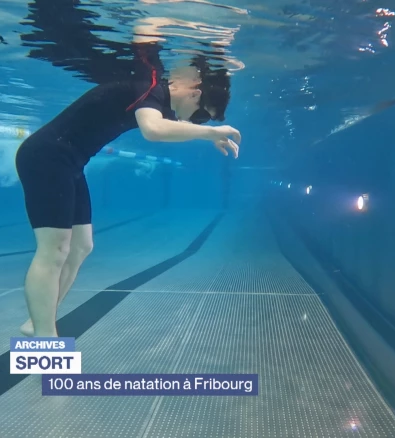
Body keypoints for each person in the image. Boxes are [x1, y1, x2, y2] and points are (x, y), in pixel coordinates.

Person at [15, 42, 241, 337]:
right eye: (200, 115)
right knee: (54, 249)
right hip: (46, 157)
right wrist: (209, 132)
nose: (193, 121)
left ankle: (38, 319)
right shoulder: (150, 86)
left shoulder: (159, 100)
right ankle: (45, 341)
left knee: (82, 246)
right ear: (195, 93)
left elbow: (168, 125)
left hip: (68, 161)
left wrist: (207, 133)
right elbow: (154, 130)